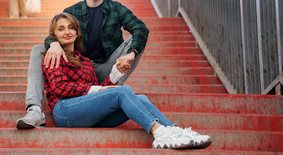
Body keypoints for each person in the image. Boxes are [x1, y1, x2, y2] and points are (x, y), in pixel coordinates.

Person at [42, 12, 212, 149]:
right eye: (61, 29)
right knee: (123, 91)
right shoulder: (53, 55)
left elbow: (101, 89)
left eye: (71, 27)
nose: (67, 32)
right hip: (64, 111)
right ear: (54, 35)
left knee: (141, 98)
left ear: (77, 32)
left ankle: (175, 131)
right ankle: (159, 132)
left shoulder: (85, 62)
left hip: (87, 113)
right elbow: (59, 88)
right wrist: (98, 90)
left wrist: (115, 73)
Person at [16, 0, 149, 129]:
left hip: (108, 68)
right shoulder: (72, 11)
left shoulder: (116, 8)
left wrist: (131, 54)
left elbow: (141, 28)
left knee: (138, 38)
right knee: (38, 50)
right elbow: (54, 33)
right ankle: (34, 109)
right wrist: (54, 43)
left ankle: (112, 92)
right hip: (80, 69)